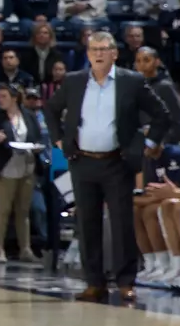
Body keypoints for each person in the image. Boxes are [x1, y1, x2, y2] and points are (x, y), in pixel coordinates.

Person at [42, 30, 171, 302]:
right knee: (87, 224)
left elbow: (162, 113)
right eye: (94, 49)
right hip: (83, 161)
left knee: (122, 223)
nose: (99, 54)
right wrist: (58, 139)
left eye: (104, 49)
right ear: (88, 54)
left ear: (115, 53)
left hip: (117, 162)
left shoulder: (131, 81)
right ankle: (94, 283)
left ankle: (126, 282)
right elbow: (51, 109)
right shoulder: (75, 81)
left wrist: (149, 143)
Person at [0, 84, 43, 263]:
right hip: (6, 168)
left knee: (23, 211)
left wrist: (37, 147)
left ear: (14, 98)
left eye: (4, 96)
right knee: (3, 210)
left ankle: (25, 248)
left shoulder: (29, 116)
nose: (0, 100)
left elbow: (37, 137)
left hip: (27, 166)